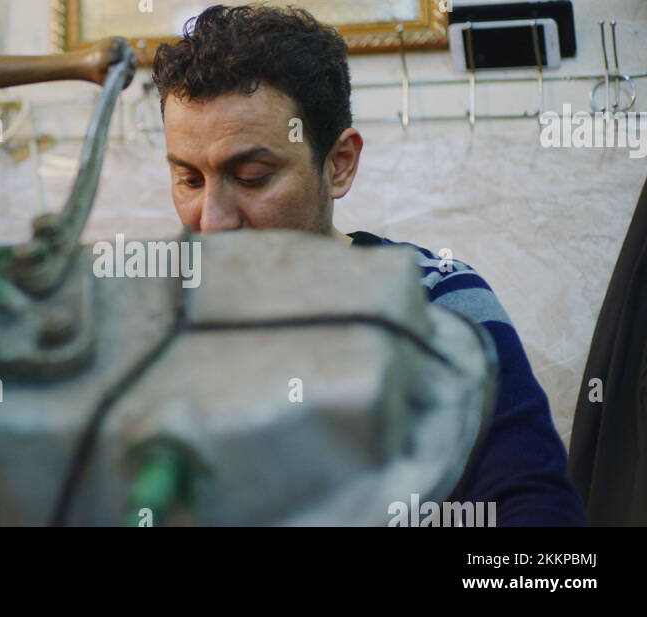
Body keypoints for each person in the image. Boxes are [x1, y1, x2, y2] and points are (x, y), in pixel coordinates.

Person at [151, 4, 587, 525]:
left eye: (251, 177)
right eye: (190, 180)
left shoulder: (437, 305)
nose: (212, 222)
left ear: (339, 165)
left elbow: (539, 526)